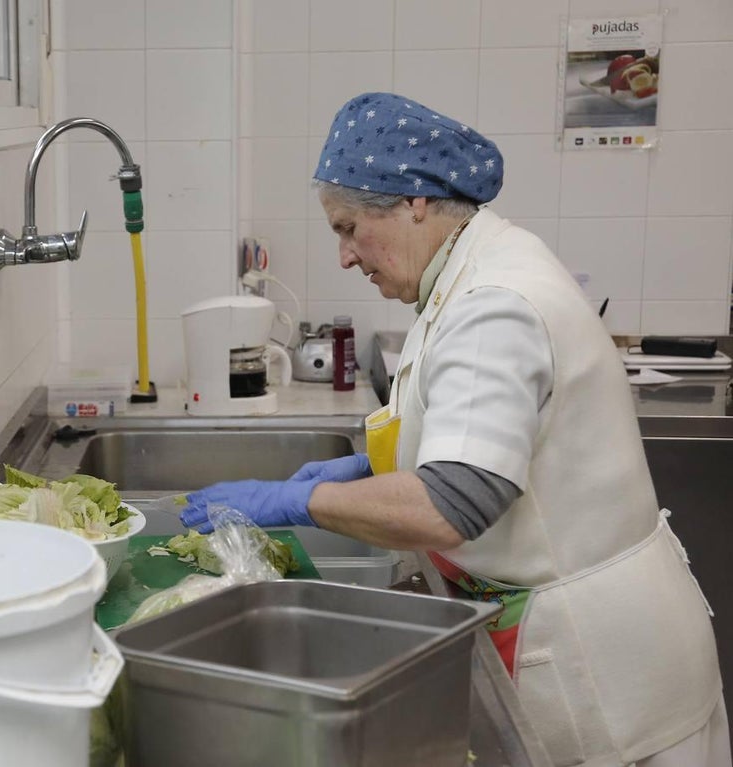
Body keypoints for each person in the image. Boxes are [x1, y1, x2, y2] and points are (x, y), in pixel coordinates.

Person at [180, 92, 729, 767]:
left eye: (348, 228)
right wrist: (377, 469)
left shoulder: (491, 302)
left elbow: (454, 502)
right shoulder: (470, 269)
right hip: (579, 636)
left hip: (606, 672)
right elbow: (477, 436)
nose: (346, 256)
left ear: (412, 201)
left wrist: (293, 501)